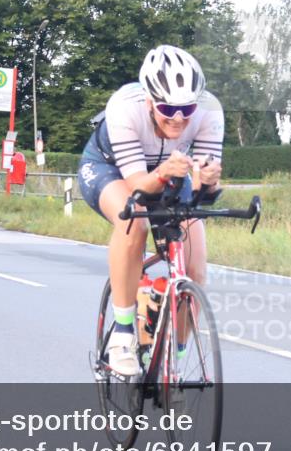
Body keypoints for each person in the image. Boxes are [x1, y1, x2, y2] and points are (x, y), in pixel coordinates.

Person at [77, 45, 223, 376]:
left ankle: (176, 351)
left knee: (195, 266)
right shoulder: (124, 108)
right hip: (111, 170)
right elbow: (139, 188)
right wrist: (163, 174)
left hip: (172, 169)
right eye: (167, 107)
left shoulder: (209, 111)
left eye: (186, 108)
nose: (178, 117)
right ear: (149, 102)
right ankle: (124, 335)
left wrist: (209, 182)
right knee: (134, 223)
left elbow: (204, 191)